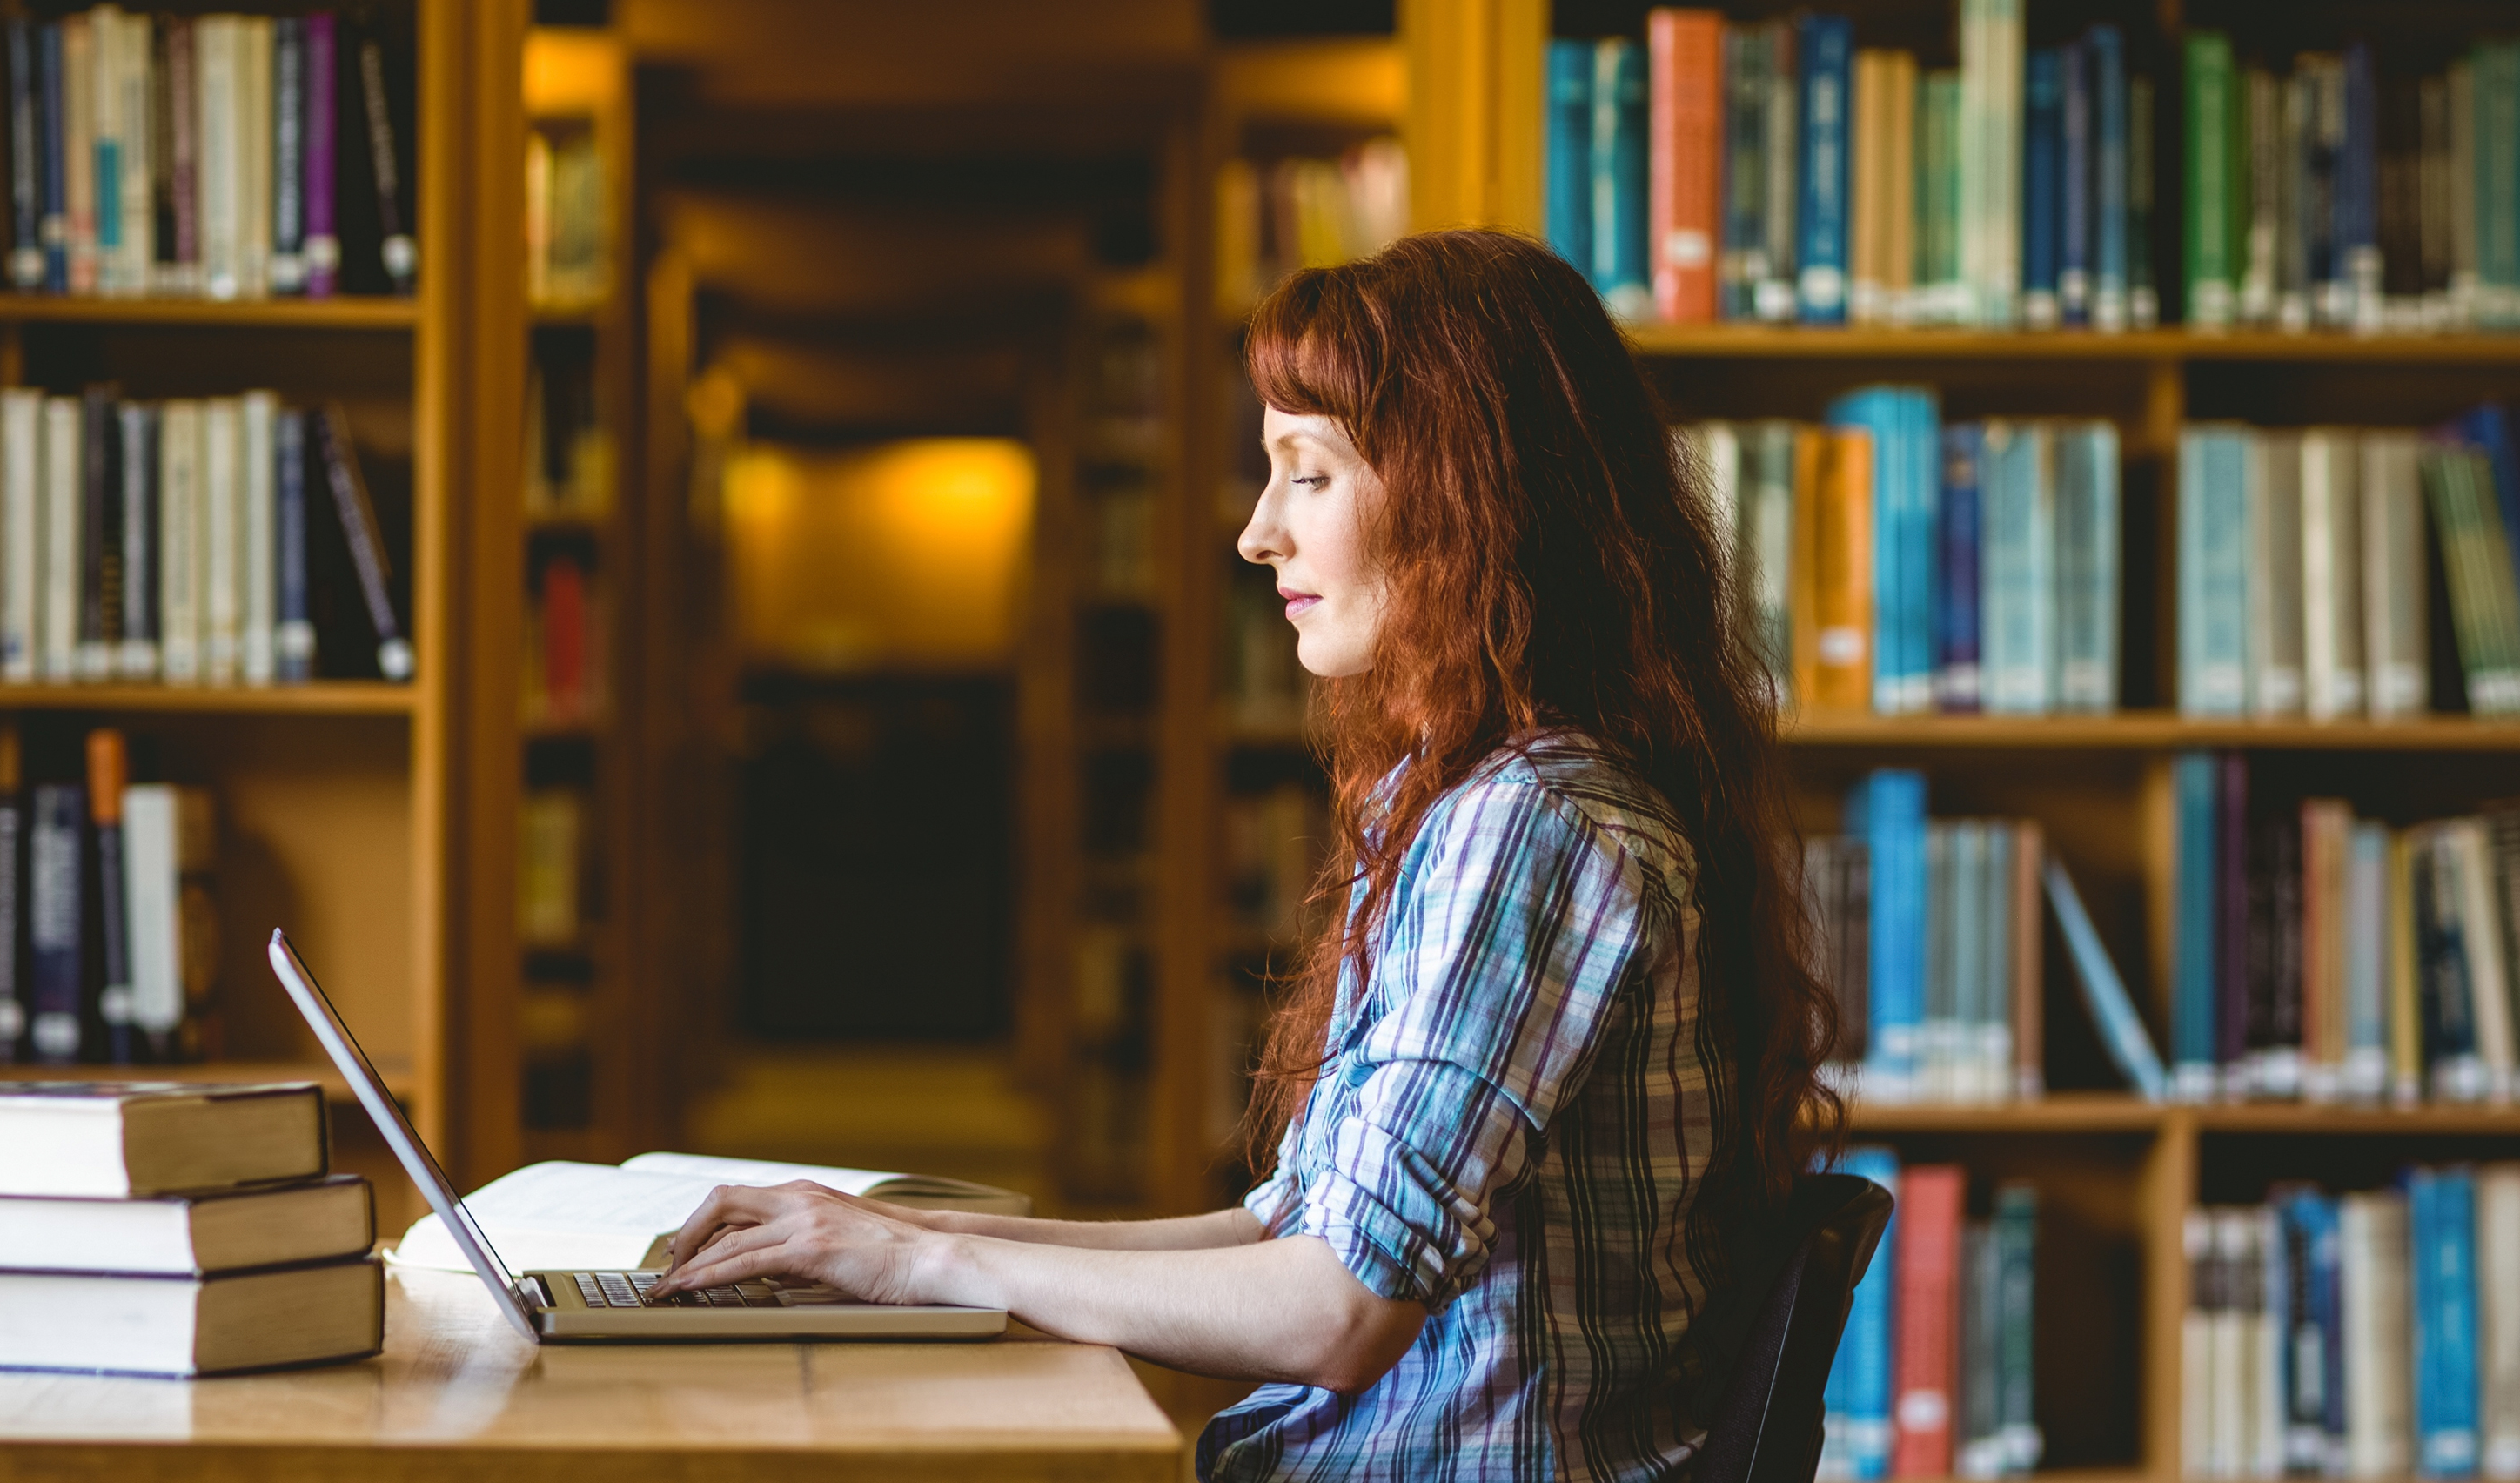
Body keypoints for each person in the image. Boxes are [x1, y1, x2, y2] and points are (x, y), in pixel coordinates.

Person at [652, 229, 1840, 1481]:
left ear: (1462, 497)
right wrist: (891, 1236)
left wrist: (923, 1265)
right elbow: (1289, 1230)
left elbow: (1335, 1312)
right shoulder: (1478, 803)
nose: (1256, 533)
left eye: (1307, 474)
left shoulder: (1530, 826)